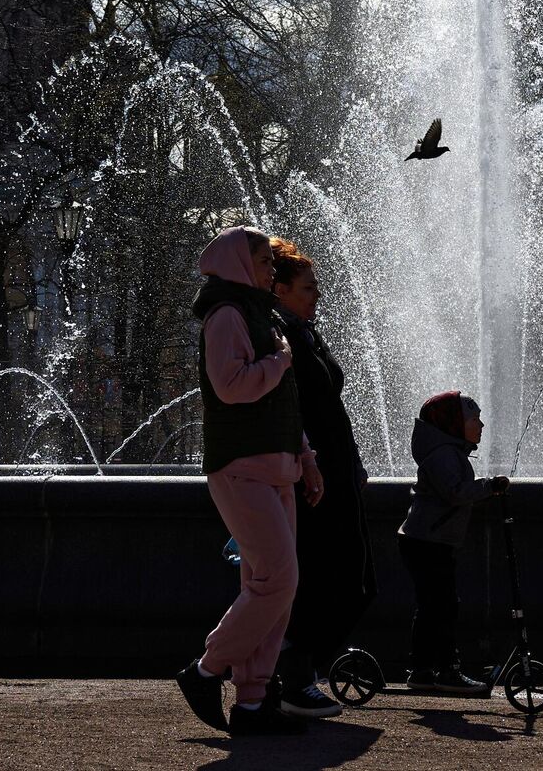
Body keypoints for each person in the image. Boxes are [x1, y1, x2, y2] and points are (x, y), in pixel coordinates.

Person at [175, 226, 323, 737]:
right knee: (278, 581)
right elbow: (231, 386)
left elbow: (283, 402)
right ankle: (205, 670)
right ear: (238, 262)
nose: (270, 269)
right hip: (241, 465)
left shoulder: (256, 313)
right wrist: (279, 361)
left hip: (274, 467)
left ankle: (253, 702)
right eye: (262, 261)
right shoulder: (227, 316)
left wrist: (305, 458)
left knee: (270, 585)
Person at [268, 238, 374, 719]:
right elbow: (286, 410)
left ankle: (293, 665)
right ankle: (293, 674)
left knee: (356, 582)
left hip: (336, 475)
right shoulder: (277, 336)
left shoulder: (308, 334)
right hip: (309, 481)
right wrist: (309, 462)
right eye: (308, 288)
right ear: (280, 289)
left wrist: (350, 463)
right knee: (324, 578)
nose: (317, 295)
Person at [398, 390, 508, 694]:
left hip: (428, 540)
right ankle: (446, 670)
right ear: (455, 423)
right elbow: (455, 492)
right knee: (443, 606)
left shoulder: (448, 450)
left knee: (434, 606)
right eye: (475, 419)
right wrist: (489, 486)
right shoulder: (443, 454)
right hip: (427, 541)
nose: (481, 425)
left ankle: (422, 670)